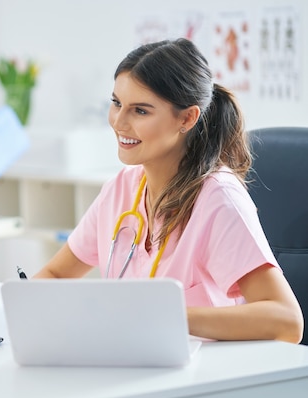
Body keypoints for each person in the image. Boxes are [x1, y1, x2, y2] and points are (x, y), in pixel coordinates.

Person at [34, 38, 303, 344]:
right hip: (131, 359)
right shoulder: (122, 188)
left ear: (187, 118)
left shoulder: (218, 199)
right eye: (116, 103)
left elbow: (287, 321)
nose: (119, 123)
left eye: (141, 111)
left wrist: (163, 313)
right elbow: (54, 276)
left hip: (204, 377)